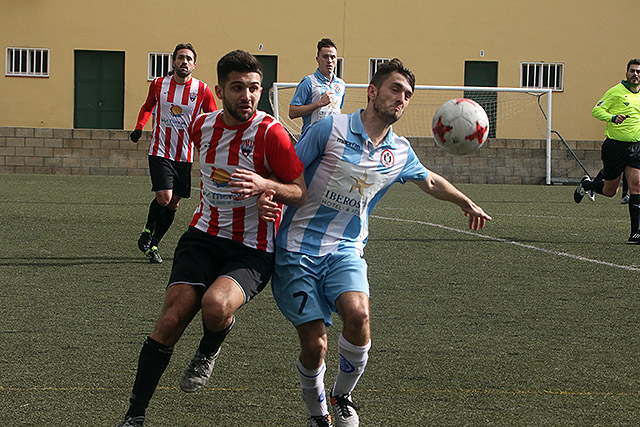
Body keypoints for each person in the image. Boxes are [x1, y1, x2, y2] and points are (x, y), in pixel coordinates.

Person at [259, 59, 492, 427]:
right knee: (316, 345)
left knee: (359, 315)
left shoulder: (399, 150)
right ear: (372, 91)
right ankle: (317, 411)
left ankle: (342, 393)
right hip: (297, 250)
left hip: (345, 251)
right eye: (395, 89)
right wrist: (268, 193)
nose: (401, 99)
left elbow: (429, 180)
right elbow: (287, 171)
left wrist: (465, 202)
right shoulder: (328, 129)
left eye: (407, 95)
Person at [116, 50, 307, 427]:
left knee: (216, 306)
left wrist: (269, 188)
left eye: (254, 88)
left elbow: (299, 190)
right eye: (238, 88)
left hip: (252, 248)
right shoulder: (202, 127)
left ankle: (208, 348)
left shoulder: (272, 133)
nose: (247, 96)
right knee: (171, 319)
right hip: (202, 235)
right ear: (220, 90)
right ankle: (134, 416)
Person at [129, 43, 217, 264]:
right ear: (174, 62)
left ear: (194, 64)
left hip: (185, 154)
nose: (184, 62)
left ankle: (154, 243)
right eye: (180, 58)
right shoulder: (159, 84)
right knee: (164, 197)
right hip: (160, 150)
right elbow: (148, 106)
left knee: (174, 203)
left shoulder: (202, 89)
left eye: (188, 58)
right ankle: (148, 229)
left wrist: (215, 141)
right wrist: (140, 126)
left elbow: (213, 116)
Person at [574, 58, 640, 244]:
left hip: (635, 147)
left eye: (638, 72)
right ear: (626, 73)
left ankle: (635, 233)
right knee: (611, 191)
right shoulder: (615, 92)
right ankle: (587, 185)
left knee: (637, 186)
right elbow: (596, 111)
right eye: (632, 71)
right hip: (614, 147)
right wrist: (612, 117)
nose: (635, 74)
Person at [289, 38, 346, 136]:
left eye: (333, 57)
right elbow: (292, 112)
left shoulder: (341, 84)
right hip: (311, 138)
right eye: (325, 57)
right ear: (317, 59)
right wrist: (319, 103)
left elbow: (338, 110)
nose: (329, 61)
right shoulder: (308, 82)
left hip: (332, 140)